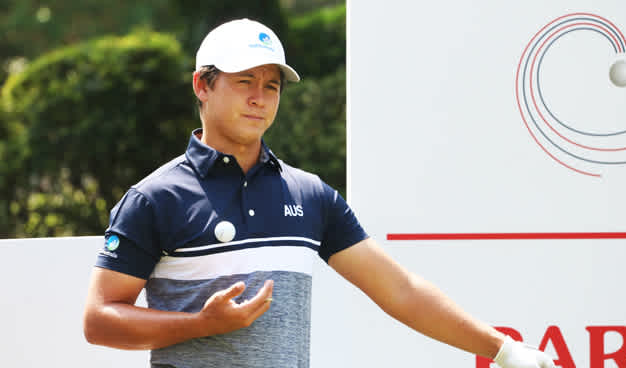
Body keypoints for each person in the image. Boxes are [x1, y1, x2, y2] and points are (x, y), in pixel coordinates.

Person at [83, 18, 555, 368]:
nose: (260, 98)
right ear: (202, 86)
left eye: (271, 86)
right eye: (244, 81)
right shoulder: (155, 197)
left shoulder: (309, 195)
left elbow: (401, 290)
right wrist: (200, 326)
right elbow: (100, 319)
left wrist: (503, 349)